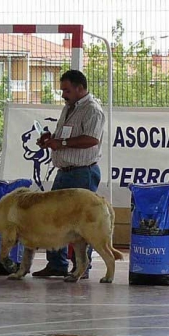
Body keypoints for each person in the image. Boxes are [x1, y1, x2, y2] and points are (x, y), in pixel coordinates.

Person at [32, 69, 105, 279]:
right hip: (64, 172)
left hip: (82, 173)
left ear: (80, 88)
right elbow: (65, 134)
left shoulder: (93, 110)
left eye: (67, 90)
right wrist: (50, 138)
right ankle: (56, 263)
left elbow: (92, 139)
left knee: (82, 222)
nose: (63, 94)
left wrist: (61, 143)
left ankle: (82, 266)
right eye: (62, 89)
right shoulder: (68, 107)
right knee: (54, 218)